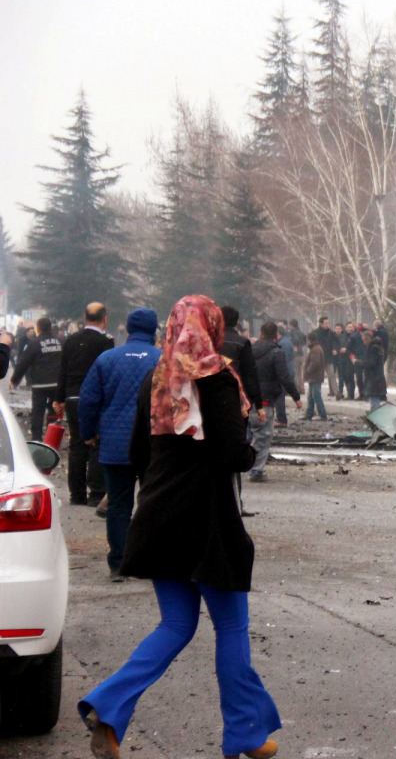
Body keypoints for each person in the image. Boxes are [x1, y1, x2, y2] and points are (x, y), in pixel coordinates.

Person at [78, 295, 280, 759]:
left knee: (174, 624)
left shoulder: (157, 378)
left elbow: (137, 452)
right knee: (231, 626)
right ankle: (245, 733)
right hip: (207, 520)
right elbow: (232, 453)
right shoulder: (217, 378)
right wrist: (249, 452)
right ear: (211, 328)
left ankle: (108, 709)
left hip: (158, 516)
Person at [78, 309, 161, 581]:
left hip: (115, 444)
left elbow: (89, 399)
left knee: (119, 505)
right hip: (154, 445)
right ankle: (149, 559)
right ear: (154, 331)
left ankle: (119, 564)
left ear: (126, 328)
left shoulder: (107, 359)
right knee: (152, 502)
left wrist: (88, 433)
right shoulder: (162, 360)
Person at [54, 302, 115, 506]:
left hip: (72, 398)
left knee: (77, 445)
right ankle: (96, 493)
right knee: (96, 443)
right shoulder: (105, 341)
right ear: (105, 319)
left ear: (85, 317)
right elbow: (107, 372)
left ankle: (76, 494)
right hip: (95, 398)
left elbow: (63, 370)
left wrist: (58, 398)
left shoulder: (71, 340)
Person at [248, 322, 302, 483]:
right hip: (266, 400)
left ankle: (246, 465)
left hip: (247, 398)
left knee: (250, 433)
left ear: (261, 334)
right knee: (263, 435)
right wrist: (296, 396)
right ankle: (255, 470)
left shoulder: (249, 351)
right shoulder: (276, 353)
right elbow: (284, 377)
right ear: (276, 335)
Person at [10, 316, 63, 441]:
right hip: (57, 383)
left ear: (38, 329)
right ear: (50, 327)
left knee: (38, 411)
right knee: (54, 409)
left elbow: (23, 362)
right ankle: (52, 438)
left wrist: (14, 380)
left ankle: (36, 438)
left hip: (40, 384)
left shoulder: (34, 343)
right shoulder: (61, 341)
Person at [218, 306, 265, 425]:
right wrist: (258, 404)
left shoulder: (209, 342)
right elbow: (250, 373)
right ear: (237, 322)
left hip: (213, 396)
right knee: (238, 434)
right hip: (238, 396)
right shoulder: (242, 342)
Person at [359, 329, 388, 410]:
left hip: (374, 378)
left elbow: (371, 363)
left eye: (363, 340)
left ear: (367, 339)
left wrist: (360, 363)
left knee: (374, 401)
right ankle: (374, 418)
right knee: (374, 400)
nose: (363, 342)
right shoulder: (378, 347)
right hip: (377, 378)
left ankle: (376, 418)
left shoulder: (373, 348)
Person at [273, 323, 295, 428]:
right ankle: (280, 418)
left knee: (279, 397)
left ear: (278, 333)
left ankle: (282, 420)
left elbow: (283, 360)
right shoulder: (284, 341)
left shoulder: (283, 344)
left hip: (284, 373)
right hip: (286, 372)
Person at [302, 334, 328, 421]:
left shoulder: (315, 349)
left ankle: (322, 415)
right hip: (314, 377)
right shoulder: (315, 348)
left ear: (309, 340)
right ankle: (309, 413)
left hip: (315, 376)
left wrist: (308, 371)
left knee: (316, 396)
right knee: (310, 396)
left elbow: (315, 363)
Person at [314, 316, 339, 398]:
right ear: (321, 324)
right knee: (318, 377)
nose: (327, 325)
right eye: (326, 323)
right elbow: (311, 344)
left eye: (328, 323)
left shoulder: (331, 333)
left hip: (328, 357)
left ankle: (337, 393)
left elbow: (335, 342)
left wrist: (335, 349)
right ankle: (317, 393)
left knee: (332, 375)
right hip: (319, 358)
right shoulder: (315, 333)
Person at [333, 323, 353, 400]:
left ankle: (350, 394)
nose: (350, 328)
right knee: (342, 377)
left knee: (349, 377)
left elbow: (353, 347)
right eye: (349, 327)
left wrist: (346, 350)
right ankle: (340, 393)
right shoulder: (342, 336)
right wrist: (337, 350)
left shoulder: (353, 336)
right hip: (341, 358)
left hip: (350, 359)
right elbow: (338, 345)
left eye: (351, 327)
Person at [347, 324, 367, 400]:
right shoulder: (354, 337)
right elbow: (349, 349)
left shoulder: (368, 336)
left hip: (366, 358)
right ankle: (361, 394)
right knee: (359, 378)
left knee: (366, 378)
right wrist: (352, 357)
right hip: (357, 359)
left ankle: (366, 394)